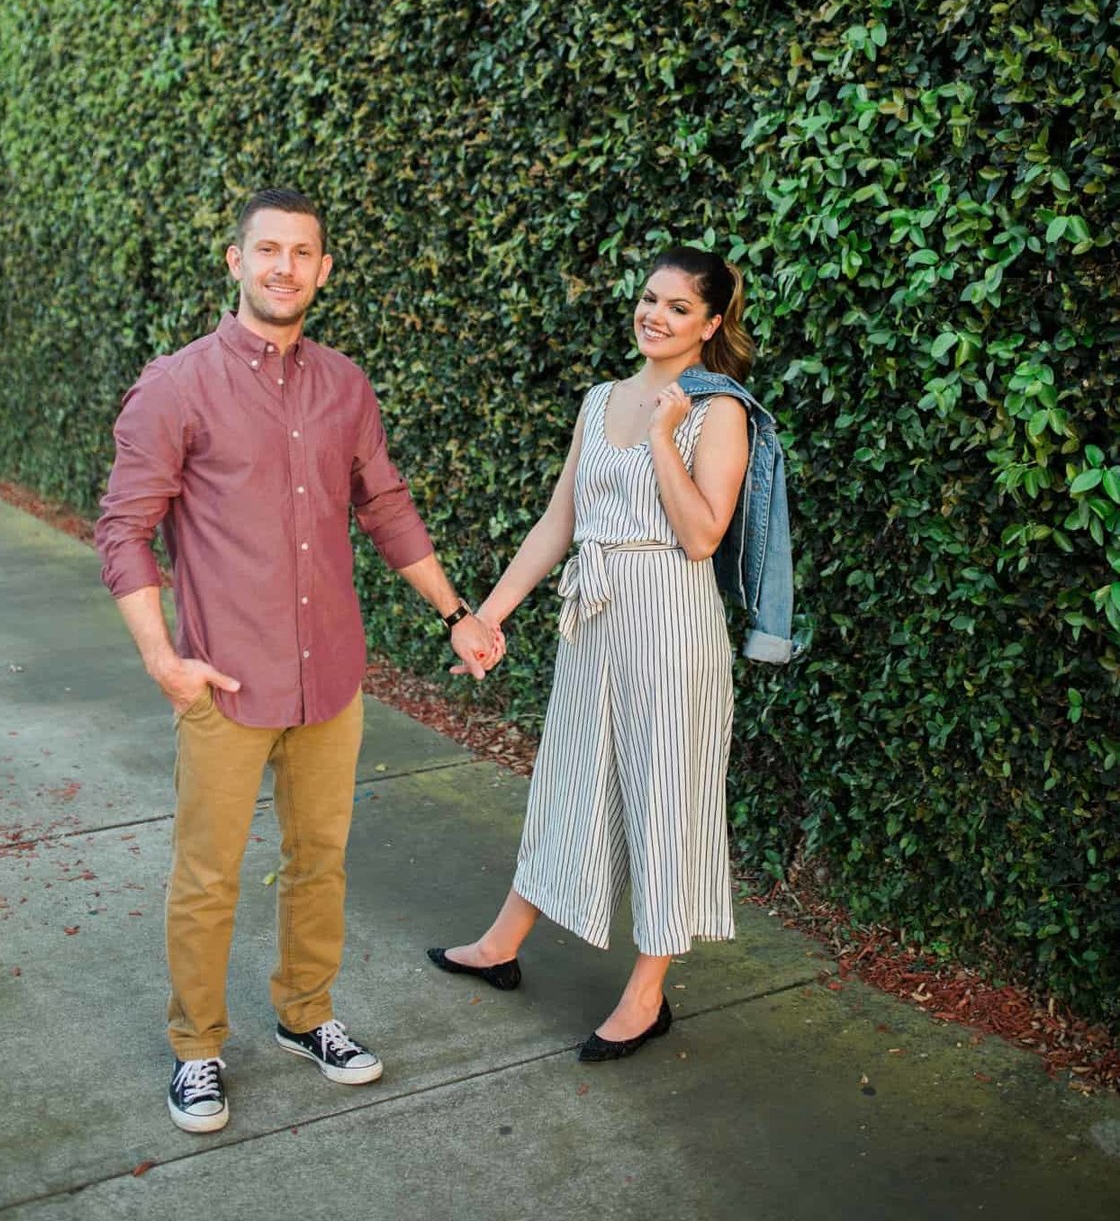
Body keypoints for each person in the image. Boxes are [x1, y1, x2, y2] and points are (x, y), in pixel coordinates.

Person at [95, 188, 501, 1132]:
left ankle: (306, 1015)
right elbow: (124, 529)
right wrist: (164, 658)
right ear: (234, 262)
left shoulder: (345, 385)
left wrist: (455, 612)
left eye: (302, 252)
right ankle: (197, 1048)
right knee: (209, 874)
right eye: (266, 249)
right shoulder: (176, 385)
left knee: (321, 859)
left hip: (330, 675)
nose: (284, 266)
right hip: (225, 680)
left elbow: (385, 505)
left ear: (324, 270)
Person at [428, 247, 754, 1060]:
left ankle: (647, 996)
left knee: (664, 799)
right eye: (650, 299)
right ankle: (503, 942)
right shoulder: (600, 398)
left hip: (673, 627)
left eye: (680, 308)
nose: (656, 315)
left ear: (710, 325)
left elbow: (703, 534)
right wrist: (486, 618)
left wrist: (664, 437)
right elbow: (557, 523)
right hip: (596, 618)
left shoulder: (717, 413)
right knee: (568, 778)